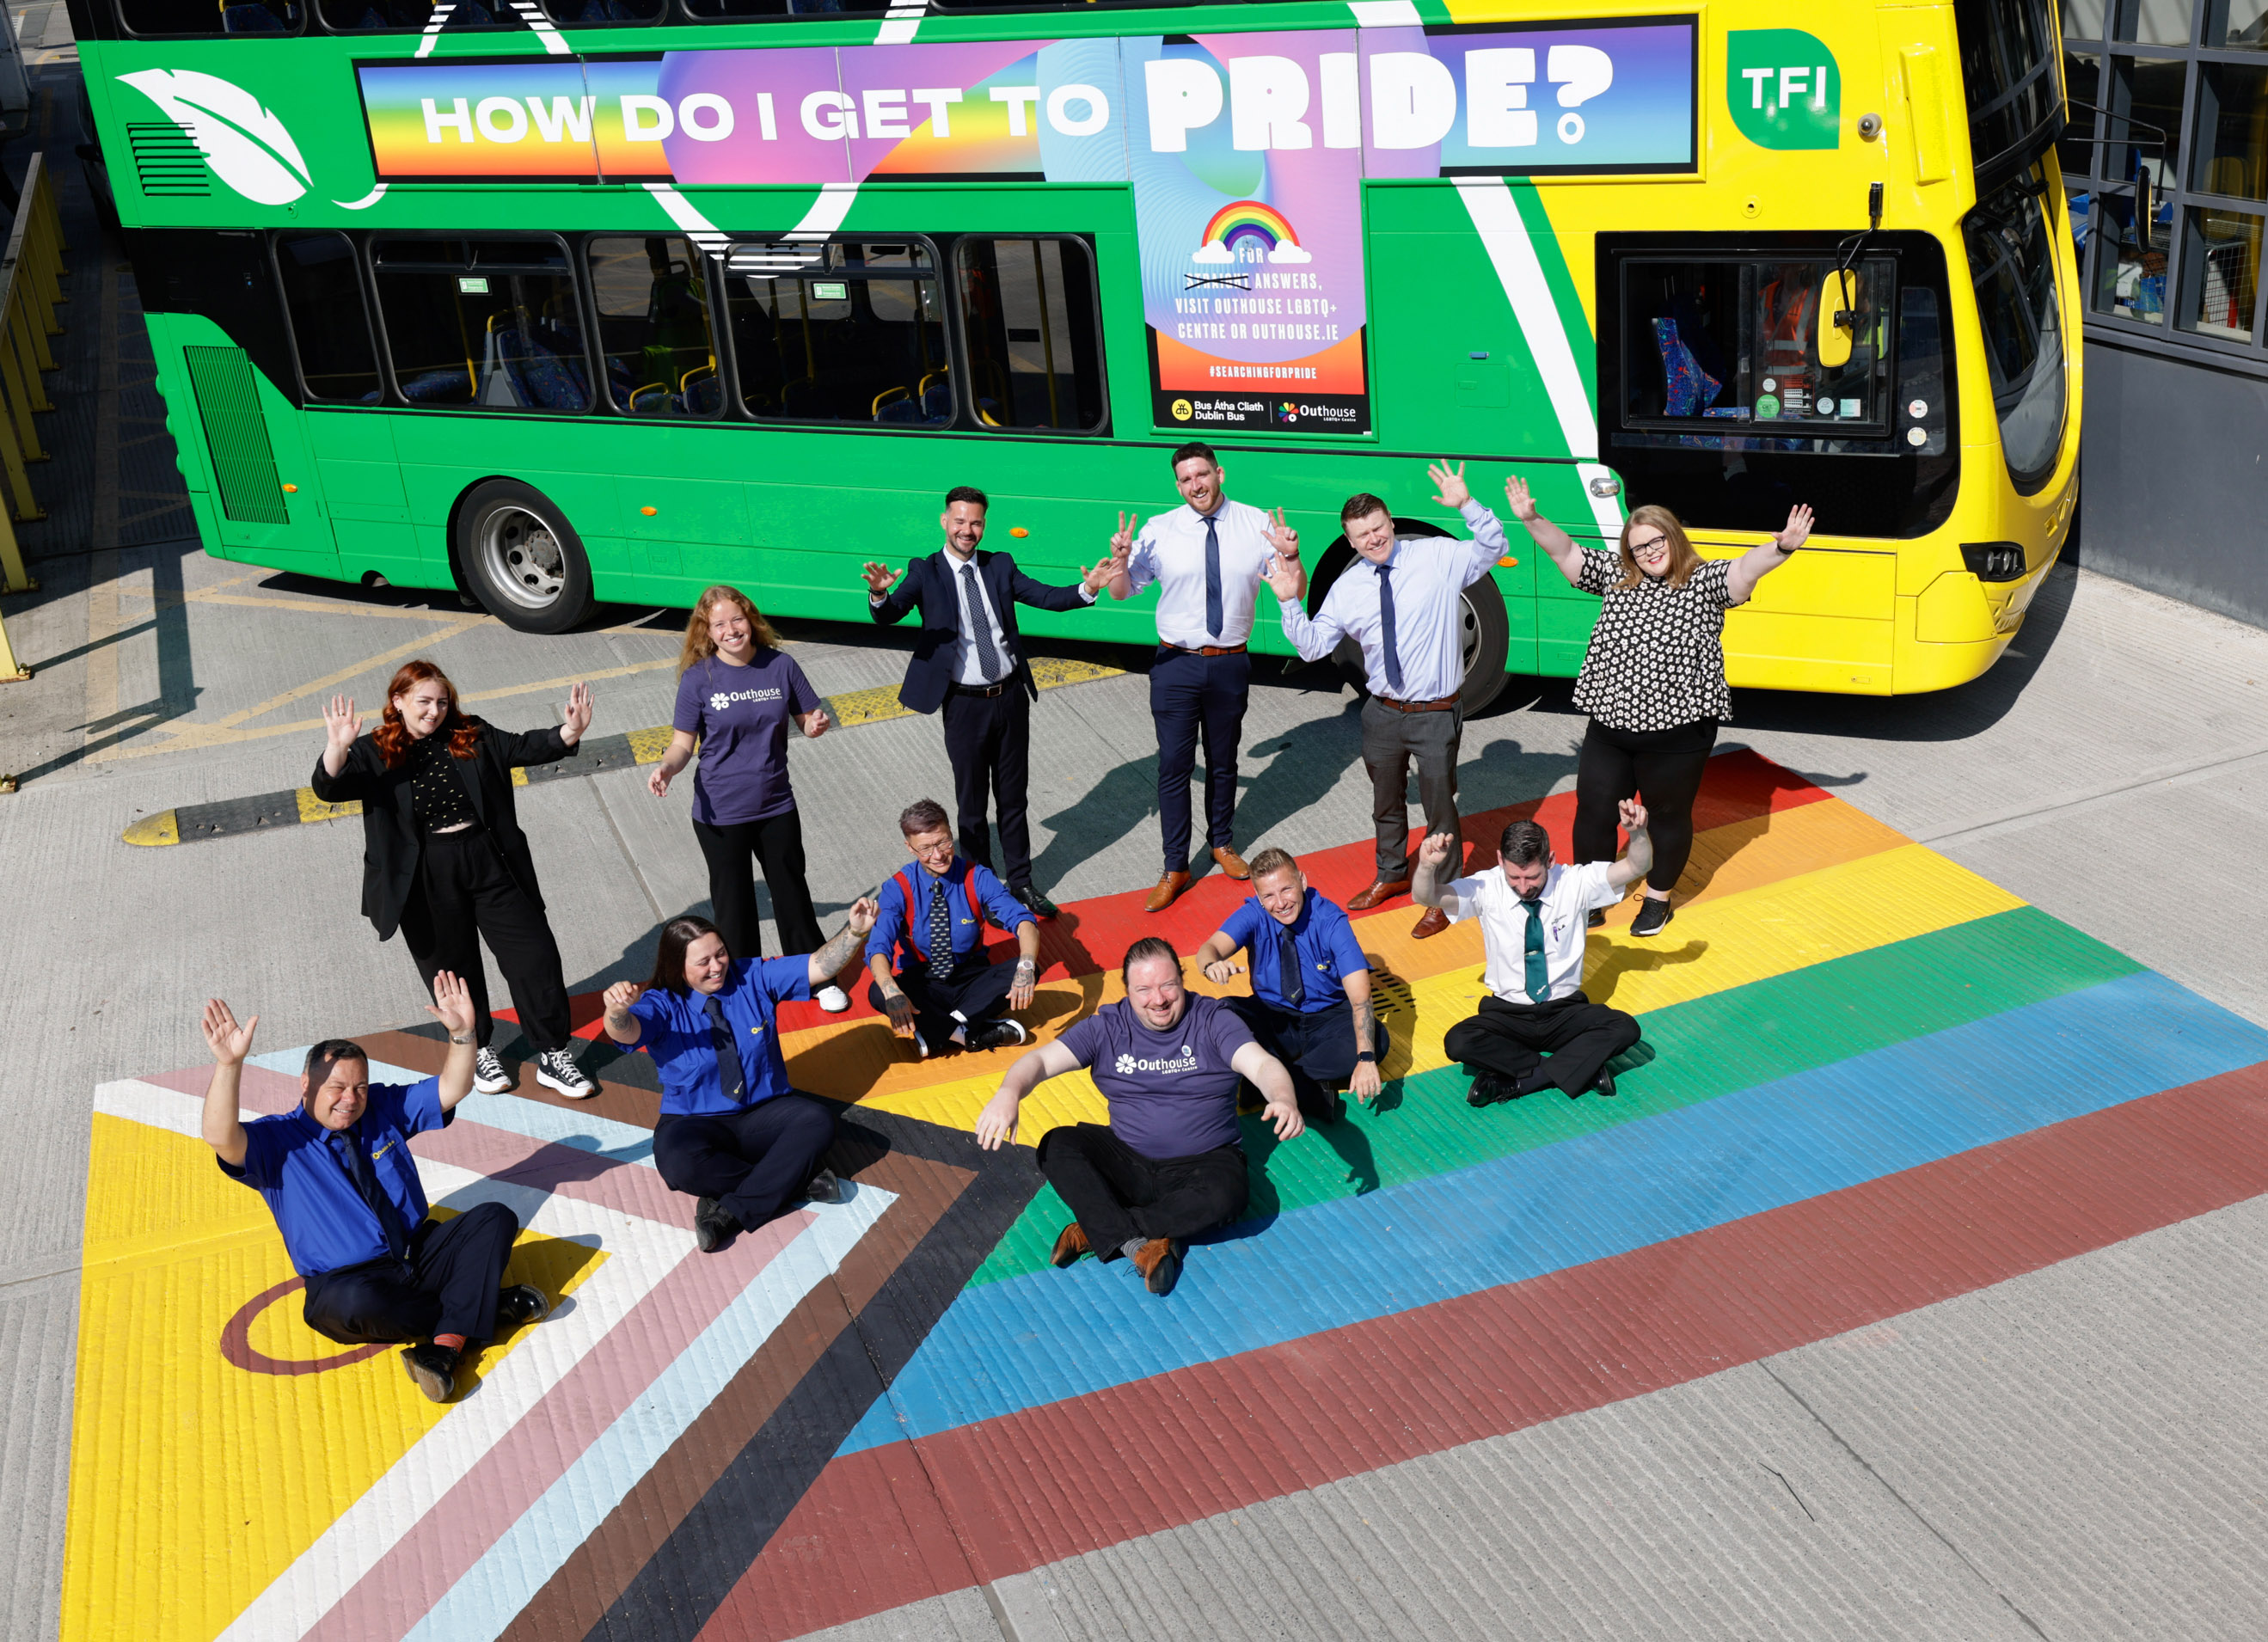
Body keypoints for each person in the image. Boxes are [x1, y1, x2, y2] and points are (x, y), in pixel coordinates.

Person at [198, 974, 551, 1404]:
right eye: (337, 1087)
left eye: (359, 1086)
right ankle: (479, 1311)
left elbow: (450, 1089)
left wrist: (463, 1036)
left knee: (494, 1219)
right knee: (354, 1306)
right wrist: (229, 1065)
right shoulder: (276, 1142)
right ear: (306, 1086)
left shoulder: (379, 1108)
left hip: (416, 1251)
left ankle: (444, 1345)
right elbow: (221, 1136)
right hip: (349, 1282)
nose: (350, 1098)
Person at [1510, 481, 1813, 935]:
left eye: (1657, 540)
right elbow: (1566, 553)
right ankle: (1591, 894)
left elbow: (1746, 570)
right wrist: (1532, 519)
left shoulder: (1704, 582)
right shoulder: (1617, 576)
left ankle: (1657, 899)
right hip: (1610, 728)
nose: (1650, 552)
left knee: (1667, 816)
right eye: (1640, 546)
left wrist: (1781, 547)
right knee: (1593, 810)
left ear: (1674, 537)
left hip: (1678, 735)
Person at [314, 660, 597, 1100]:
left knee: (534, 957)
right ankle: (480, 1048)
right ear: (398, 701)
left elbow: (522, 748)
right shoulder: (374, 750)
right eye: (423, 701)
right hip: (425, 872)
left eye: (441, 702)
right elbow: (329, 789)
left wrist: (568, 733)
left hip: (490, 858)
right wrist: (337, 747)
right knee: (454, 970)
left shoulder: (471, 733)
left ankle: (553, 1054)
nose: (434, 711)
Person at [974, 937, 1302, 1297]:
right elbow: (1038, 1061)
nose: (1158, 1000)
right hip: (1129, 1161)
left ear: (1182, 978)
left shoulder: (1213, 1020)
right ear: (1127, 991)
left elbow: (1262, 1064)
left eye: (1168, 986)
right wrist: (1009, 1092)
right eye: (1144, 989)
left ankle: (1100, 1229)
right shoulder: (1107, 1028)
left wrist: (1283, 1098)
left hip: (1204, 1163)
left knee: (1229, 1195)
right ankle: (1142, 1243)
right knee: (1057, 1144)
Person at [1267, 463, 1509, 940]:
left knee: (1440, 810)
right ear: (1350, 540)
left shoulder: (1437, 556)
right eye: (1361, 535)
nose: (1373, 539)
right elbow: (1314, 647)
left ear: (1391, 523)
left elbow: (1495, 547)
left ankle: (1442, 894)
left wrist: (1466, 504)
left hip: (1436, 711)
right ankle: (1391, 872)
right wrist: (1287, 602)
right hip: (1381, 712)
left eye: (1378, 528)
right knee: (1385, 803)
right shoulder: (1349, 585)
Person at [863, 486, 1122, 922]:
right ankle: (980, 886)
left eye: (976, 522)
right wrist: (880, 595)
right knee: (970, 805)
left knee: (1013, 798)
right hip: (963, 705)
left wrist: (1087, 587)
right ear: (945, 521)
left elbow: (1045, 596)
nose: (968, 530)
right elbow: (892, 614)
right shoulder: (924, 571)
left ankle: (1020, 882)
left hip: (1009, 697)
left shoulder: (999, 564)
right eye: (960, 521)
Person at [601, 903, 876, 1253]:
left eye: (721, 954)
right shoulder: (662, 1003)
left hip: (765, 1112)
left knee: (817, 1121)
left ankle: (730, 1210)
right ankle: (795, 1181)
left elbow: (819, 966)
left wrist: (855, 932)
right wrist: (616, 1011)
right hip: (696, 1119)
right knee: (676, 1163)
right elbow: (625, 1032)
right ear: (678, 967)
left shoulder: (751, 976)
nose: (717, 967)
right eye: (703, 962)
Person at [1105, 443, 1301, 912]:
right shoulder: (1159, 530)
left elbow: (1291, 588)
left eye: (1202, 475)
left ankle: (1222, 844)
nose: (1196, 485)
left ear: (1220, 473)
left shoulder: (1256, 524)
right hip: (1176, 664)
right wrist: (1118, 562)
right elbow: (1121, 592)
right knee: (1173, 766)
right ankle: (1176, 866)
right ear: (1178, 485)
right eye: (1186, 479)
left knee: (1223, 759)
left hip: (1230, 661)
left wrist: (1291, 557)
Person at [647, 585, 850, 1012]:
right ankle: (742, 988)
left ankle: (815, 977)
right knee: (734, 906)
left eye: (736, 619)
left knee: (792, 895)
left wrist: (814, 725)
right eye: (718, 624)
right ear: (707, 631)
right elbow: (683, 743)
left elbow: (806, 718)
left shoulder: (781, 665)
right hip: (720, 813)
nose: (730, 630)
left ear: (750, 619)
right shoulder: (698, 678)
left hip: (776, 804)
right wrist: (667, 767)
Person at [1414, 807, 1652, 1106]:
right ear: (1500, 860)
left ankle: (1519, 1080)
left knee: (1625, 1028)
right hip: (1506, 1013)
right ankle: (1581, 1069)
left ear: (1550, 861)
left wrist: (1637, 833)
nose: (1523, 886)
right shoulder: (1486, 886)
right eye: (1514, 876)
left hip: (1564, 1011)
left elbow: (1636, 866)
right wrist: (1425, 866)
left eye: (1532, 877)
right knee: (1459, 1041)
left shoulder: (1575, 881)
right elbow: (1427, 897)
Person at [1193, 847, 1385, 1124]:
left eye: (1286, 890)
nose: (1280, 903)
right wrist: (1213, 966)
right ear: (1259, 898)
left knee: (1376, 1039)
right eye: (1268, 896)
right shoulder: (1254, 914)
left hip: (1329, 1018)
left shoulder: (1331, 921)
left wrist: (1366, 1059)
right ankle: (1310, 1091)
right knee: (1217, 1015)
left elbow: (1361, 999)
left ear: (1303, 882)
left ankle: (1266, 1080)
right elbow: (1209, 948)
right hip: (1274, 1017)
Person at [867, 798, 1042, 1059]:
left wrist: (1026, 966)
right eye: (925, 848)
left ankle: (938, 1030)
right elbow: (878, 947)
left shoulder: (977, 876)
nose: (937, 855)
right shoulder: (897, 888)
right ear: (910, 848)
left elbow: (1023, 921)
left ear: (951, 834)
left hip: (971, 976)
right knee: (878, 992)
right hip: (924, 982)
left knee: (1029, 969)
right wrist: (891, 990)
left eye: (943, 842)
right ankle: (969, 1034)